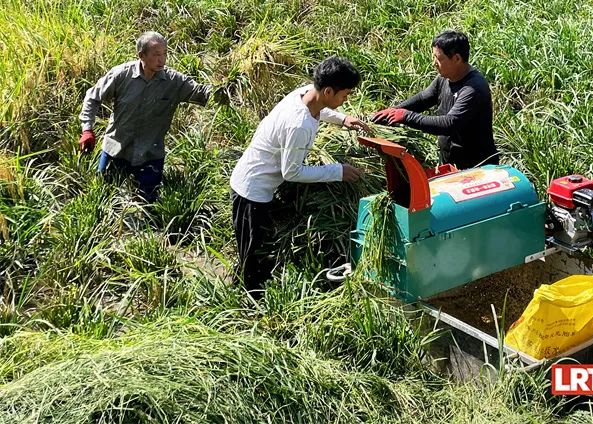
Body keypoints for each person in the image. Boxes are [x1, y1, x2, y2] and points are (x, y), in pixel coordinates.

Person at [229, 56, 371, 295]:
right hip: (251, 190)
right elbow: (292, 172)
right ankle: (252, 301)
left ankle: (245, 283)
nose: (346, 99)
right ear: (328, 90)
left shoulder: (305, 93)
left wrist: (344, 119)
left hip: (257, 183)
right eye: (344, 95)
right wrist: (338, 171)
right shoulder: (299, 125)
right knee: (255, 251)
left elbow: (321, 109)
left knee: (255, 244)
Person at [79, 31, 220, 203]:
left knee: (148, 205)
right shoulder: (121, 75)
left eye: (165, 54)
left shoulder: (173, 81)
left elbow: (202, 93)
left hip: (150, 153)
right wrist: (87, 129)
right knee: (102, 198)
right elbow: (93, 97)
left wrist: (225, 89)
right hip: (117, 149)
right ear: (141, 55)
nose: (162, 60)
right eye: (156, 55)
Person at [372, 30, 498, 170]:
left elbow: (449, 123)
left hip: (476, 167)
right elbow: (423, 99)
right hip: (451, 163)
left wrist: (406, 116)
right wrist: (393, 112)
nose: (434, 63)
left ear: (457, 58)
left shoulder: (473, 88)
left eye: (438, 58)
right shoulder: (444, 78)